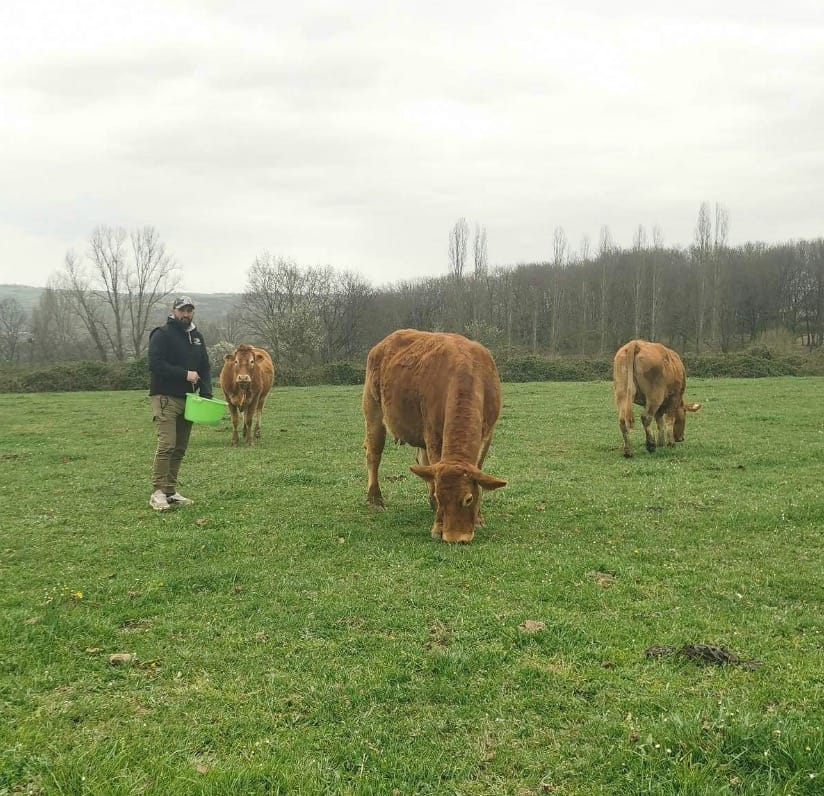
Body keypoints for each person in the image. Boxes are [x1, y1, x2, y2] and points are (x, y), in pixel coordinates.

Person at [147, 295, 212, 511]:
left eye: (190, 310)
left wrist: (206, 394)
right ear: (174, 311)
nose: (186, 314)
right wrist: (184, 374)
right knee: (167, 445)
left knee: (180, 447)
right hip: (165, 397)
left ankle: (170, 491)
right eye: (182, 310)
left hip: (189, 400)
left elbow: (204, 367)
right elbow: (155, 364)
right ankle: (157, 492)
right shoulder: (162, 334)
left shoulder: (197, 337)